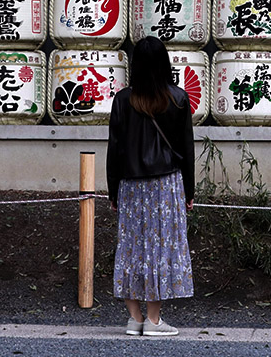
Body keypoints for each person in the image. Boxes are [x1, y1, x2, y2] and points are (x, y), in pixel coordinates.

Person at [107, 36, 195, 337]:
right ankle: (154, 320)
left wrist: (112, 189)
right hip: (166, 185)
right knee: (160, 249)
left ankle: (134, 319)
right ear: (164, 62)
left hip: (131, 185)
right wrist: (190, 190)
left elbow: (114, 149)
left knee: (131, 249)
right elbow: (187, 148)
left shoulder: (122, 100)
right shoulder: (178, 98)